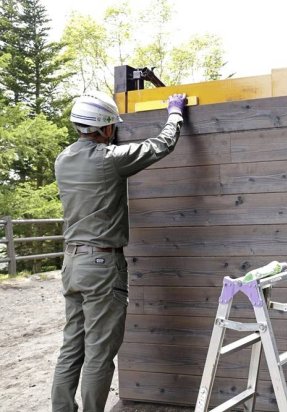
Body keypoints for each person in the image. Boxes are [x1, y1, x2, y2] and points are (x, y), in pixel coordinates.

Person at [51, 91, 187, 411]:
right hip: (101, 265)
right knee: (99, 352)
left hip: (72, 263)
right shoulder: (110, 159)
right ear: (106, 128)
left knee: (72, 348)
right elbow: (161, 145)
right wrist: (175, 114)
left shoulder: (63, 159)